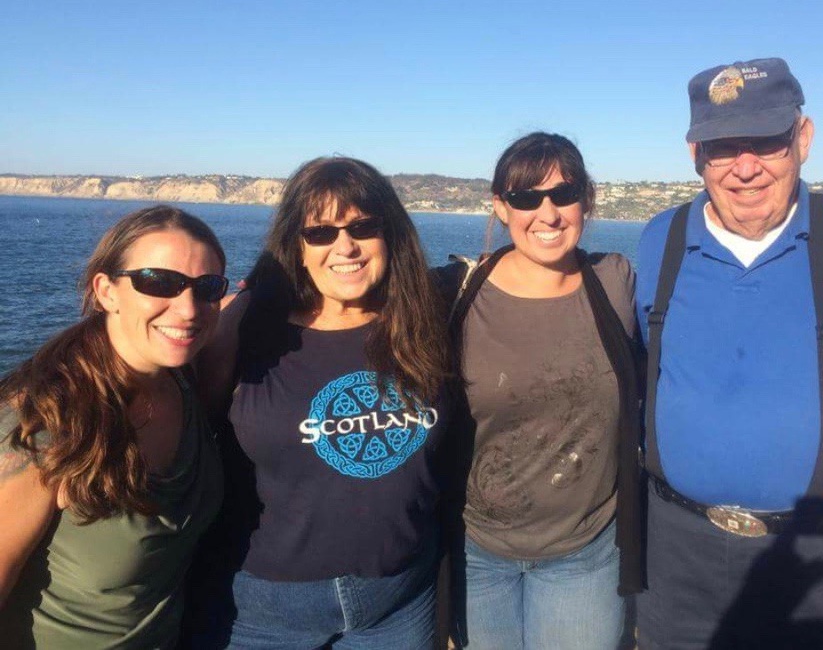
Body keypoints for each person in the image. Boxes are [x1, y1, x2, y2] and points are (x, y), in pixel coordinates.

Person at [634, 58, 823, 649]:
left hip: (818, 553)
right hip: (675, 554)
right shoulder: (658, 240)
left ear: (803, 139)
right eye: (723, 147)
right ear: (695, 155)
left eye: (767, 142)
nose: (745, 168)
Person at [190, 157, 450, 649]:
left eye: (363, 227)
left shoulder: (427, 321)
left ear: (390, 234)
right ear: (297, 245)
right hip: (263, 608)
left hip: (398, 602)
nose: (345, 246)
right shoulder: (244, 326)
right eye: (321, 233)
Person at [437, 132, 643, 649]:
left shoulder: (616, 283)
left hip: (586, 551)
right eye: (526, 198)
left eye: (563, 194)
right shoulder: (456, 293)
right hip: (475, 549)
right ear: (501, 208)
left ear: (586, 200)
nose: (547, 213)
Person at [0, 205, 227, 649]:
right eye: (158, 282)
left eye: (207, 287)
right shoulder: (43, 421)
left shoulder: (182, 377)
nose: (187, 308)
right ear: (106, 290)